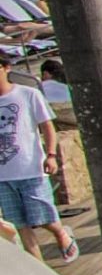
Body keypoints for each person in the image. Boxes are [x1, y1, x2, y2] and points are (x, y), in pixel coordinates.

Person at [0, 76, 73, 262]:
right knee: (19, 225)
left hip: (31, 168)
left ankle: (61, 233)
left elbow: (47, 126)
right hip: (3, 176)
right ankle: (41, 269)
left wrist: (51, 155)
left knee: (43, 217)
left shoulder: (28, 94)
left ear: (6, 67)